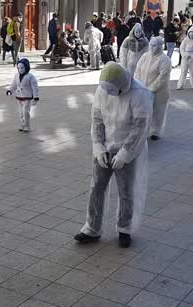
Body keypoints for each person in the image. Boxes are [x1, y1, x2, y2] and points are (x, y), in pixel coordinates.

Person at [74, 62, 150, 249]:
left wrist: (125, 154)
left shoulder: (139, 93)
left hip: (128, 149)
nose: (110, 95)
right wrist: (98, 147)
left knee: (126, 191)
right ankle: (92, 228)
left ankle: (124, 229)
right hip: (106, 146)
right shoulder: (103, 90)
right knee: (96, 188)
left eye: (114, 91)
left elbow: (139, 128)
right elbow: (97, 120)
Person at [135, 37, 171, 141]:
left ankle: (156, 131)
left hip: (159, 92)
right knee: (144, 111)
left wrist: (151, 89)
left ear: (160, 46)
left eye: (155, 45)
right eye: (151, 45)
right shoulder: (145, 56)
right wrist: (139, 85)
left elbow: (163, 77)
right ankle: (144, 131)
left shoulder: (165, 60)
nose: (152, 47)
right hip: (143, 89)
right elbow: (138, 71)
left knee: (158, 111)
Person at [6, 58, 39, 132]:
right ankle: (22, 124)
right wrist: (10, 90)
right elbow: (14, 84)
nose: (20, 69)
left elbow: (34, 87)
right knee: (20, 112)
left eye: (22, 68)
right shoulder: (16, 76)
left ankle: (27, 126)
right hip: (19, 96)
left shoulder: (30, 76)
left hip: (27, 97)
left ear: (26, 67)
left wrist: (36, 96)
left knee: (25, 111)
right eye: (18, 68)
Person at [177, 26, 193, 90]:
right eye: (190, 35)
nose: (191, 37)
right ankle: (180, 85)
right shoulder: (186, 40)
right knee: (183, 72)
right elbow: (181, 48)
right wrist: (184, 55)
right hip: (186, 56)